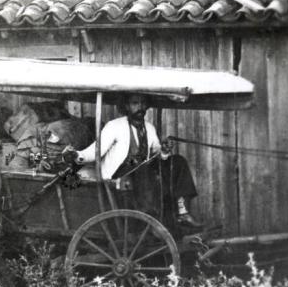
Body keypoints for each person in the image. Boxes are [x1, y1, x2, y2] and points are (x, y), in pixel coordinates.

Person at [64, 94, 201, 229]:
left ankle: (183, 213)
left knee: (178, 161)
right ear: (126, 106)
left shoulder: (149, 127)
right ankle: (152, 221)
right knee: (143, 168)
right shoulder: (114, 126)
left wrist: (164, 150)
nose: (140, 107)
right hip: (120, 173)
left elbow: (156, 153)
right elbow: (95, 151)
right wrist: (76, 155)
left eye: (142, 103)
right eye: (135, 103)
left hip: (143, 171)